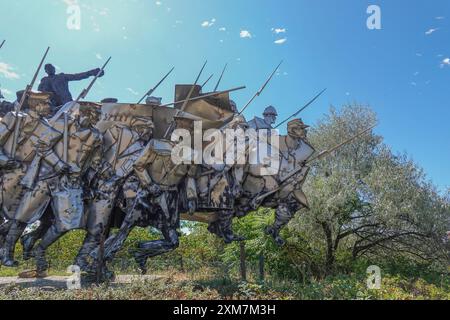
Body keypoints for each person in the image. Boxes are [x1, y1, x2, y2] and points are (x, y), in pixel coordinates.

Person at [38, 64, 105, 107]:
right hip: (50, 105)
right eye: (48, 68)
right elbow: (39, 94)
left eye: (51, 67)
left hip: (65, 104)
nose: (50, 69)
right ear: (46, 71)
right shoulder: (44, 80)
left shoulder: (61, 76)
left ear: (54, 69)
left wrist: (91, 72)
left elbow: (77, 76)